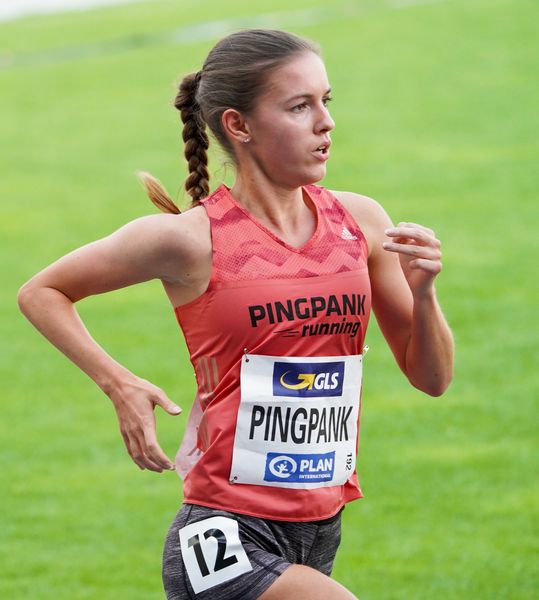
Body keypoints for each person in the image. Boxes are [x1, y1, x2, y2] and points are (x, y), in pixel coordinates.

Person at [18, 29, 454, 600]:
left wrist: (423, 295)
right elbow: (42, 291)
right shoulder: (189, 240)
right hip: (225, 532)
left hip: (318, 526)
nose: (326, 122)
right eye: (300, 106)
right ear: (238, 125)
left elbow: (432, 378)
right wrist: (118, 384)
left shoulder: (362, 223)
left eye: (327, 101)